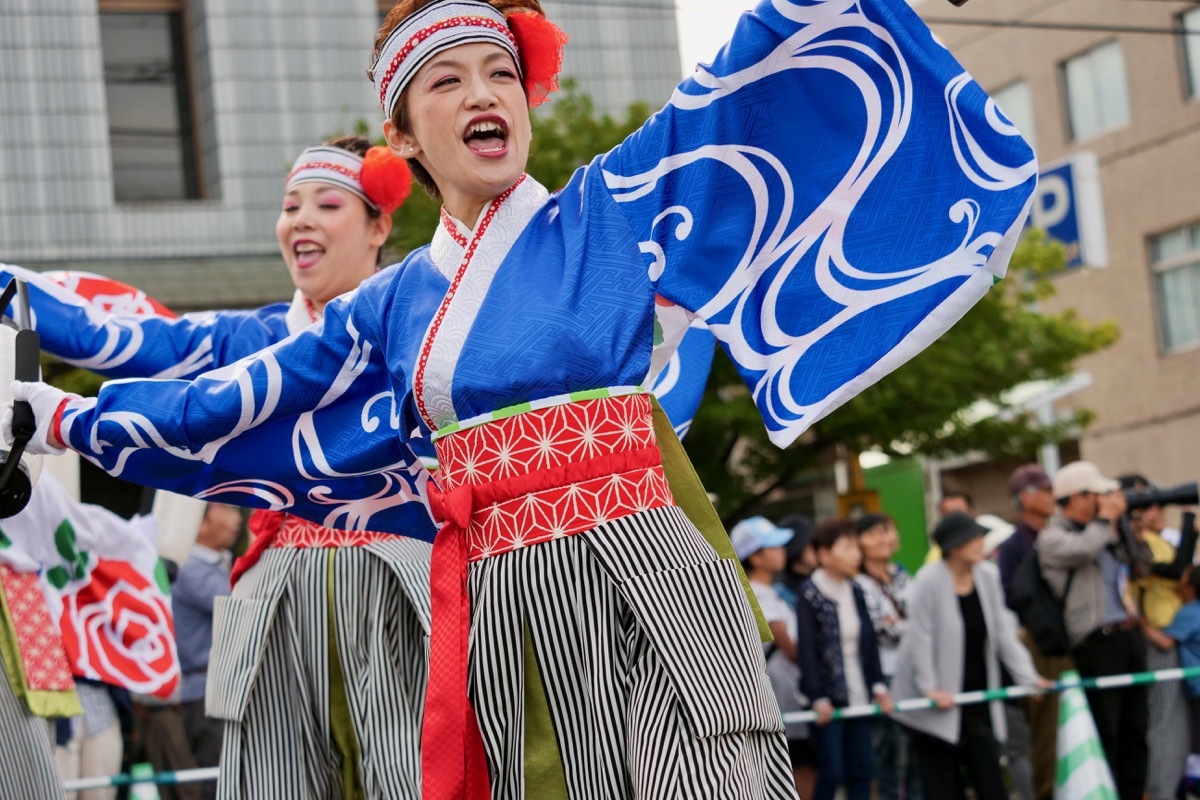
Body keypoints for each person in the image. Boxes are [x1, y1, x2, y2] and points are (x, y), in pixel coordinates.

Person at [7, 0, 1037, 796]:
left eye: (501, 71)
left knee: (710, 766)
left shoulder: (609, 209)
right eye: (445, 80)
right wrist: (55, 416)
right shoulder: (388, 305)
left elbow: (743, 80)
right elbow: (231, 399)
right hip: (498, 587)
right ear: (405, 133)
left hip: (643, 556)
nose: (482, 92)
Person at [893, 512, 1046, 800]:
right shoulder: (928, 581)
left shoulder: (987, 575)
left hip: (975, 700)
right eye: (972, 538)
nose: (981, 543)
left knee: (991, 784)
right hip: (935, 707)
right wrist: (930, 689)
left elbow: (1002, 633)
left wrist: (1030, 678)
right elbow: (919, 639)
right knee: (945, 789)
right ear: (953, 546)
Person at [1036, 461, 1153, 800]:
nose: (1107, 500)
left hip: (1128, 635)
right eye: (1099, 494)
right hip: (1095, 643)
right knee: (1108, 732)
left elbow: (1142, 568)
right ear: (1077, 497)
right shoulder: (1053, 536)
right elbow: (1082, 549)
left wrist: (1133, 532)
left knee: (1136, 732)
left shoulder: (1107, 531)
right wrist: (1106, 520)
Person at [796, 517, 893, 800]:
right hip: (826, 699)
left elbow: (869, 643)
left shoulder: (857, 589)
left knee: (862, 769)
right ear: (824, 554)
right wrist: (817, 696)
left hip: (860, 693)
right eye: (848, 547)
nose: (856, 554)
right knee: (833, 770)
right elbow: (808, 651)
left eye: (856, 548)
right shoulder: (810, 593)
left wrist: (878, 685)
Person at [1120, 474, 1197, 800]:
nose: (1153, 509)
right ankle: (1157, 793)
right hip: (1157, 640)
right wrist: (1189, 519)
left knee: (1178, 729)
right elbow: (1178, 569)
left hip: (1172, 639)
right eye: (1143, 503)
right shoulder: (1137, 544)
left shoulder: (1157, 539)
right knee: (1166, 727)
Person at [996, 463, 1068, 800]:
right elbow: (1011, 599)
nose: (1054, 497)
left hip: (1067, 640)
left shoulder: (1056, 536)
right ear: (1025, 498)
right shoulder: (1012, 546)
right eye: (1046, 491)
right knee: (1045, 730)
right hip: (1035, 644)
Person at [733, 516, 816, 800]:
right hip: (782, 695)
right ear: (754, 556)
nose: (783, 551)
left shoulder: (771, 592)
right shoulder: (757, 596)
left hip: (787, 693)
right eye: (773, 546)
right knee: (799, 770)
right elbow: (793, 651)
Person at [172, 504, 240, 799]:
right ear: (203, 523)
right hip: (206, 694)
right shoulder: (192, 567)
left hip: (212, 692)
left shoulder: (211, 566)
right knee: (217, 781)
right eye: (229, 508)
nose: (237, 517)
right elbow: (236, 606)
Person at [854, 513, 921, 800]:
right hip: (884, 677)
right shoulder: (859, 584)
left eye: (888, 531)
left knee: (918, 755)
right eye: (873, 533)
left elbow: (926, 620)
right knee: (890, 756)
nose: (884, 538)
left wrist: (903, 626)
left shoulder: (903, 575)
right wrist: (911, 627)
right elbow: (881, 630)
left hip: (916, 673)